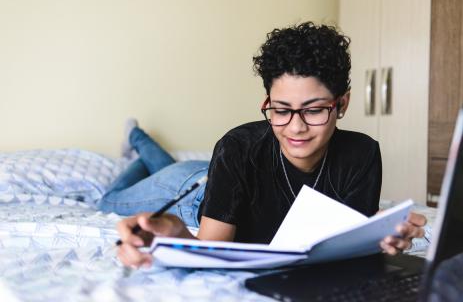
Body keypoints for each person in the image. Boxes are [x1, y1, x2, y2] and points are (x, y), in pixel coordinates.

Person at [105, 22, 427, 269]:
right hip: (195, 189)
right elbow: (211, 252)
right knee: (109, 199)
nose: (296, 127)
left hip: (221, 178)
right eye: (282, 110)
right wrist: (175, 231)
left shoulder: (363, 155)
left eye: (314, 109)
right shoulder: (236, 148)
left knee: (164, 165)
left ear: (342, 104)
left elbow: (344, 251)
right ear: (268, 103)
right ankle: (138, 142)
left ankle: (144, 149)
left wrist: (378, 235)